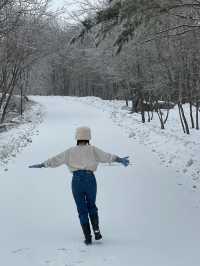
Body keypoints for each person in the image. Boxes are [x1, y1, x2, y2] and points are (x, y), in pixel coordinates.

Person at [29, 127, 129, 245]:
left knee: (82, 209)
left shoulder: (70, 151)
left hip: (76, 181)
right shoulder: (93, 149)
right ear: (88, 137)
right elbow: (106, 156)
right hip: (90, 179)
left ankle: (87, 237)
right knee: (91, 205)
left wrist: (43, 164)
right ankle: (96, 231)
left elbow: (56, 159)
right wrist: (119, 159)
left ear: (77, 137)